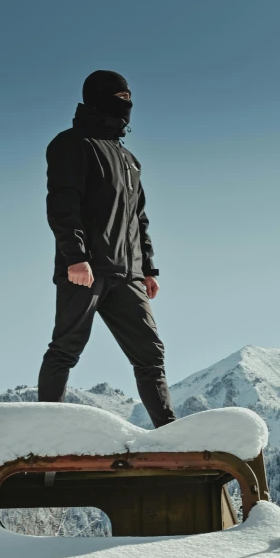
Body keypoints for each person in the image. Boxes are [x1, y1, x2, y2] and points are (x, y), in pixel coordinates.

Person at [38, 70, 176, 428]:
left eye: (129, 96)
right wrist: (76, 257)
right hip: (85, 270)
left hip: (128, 274)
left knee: (150, 355)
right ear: (98, 98)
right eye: (120, 96)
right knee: (66, 349)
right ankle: (45, 432)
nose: (127, 103)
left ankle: (171, 433)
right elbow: (63, 205)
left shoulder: (129, 159)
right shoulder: (72, 144)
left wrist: (147, 269)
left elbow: (138, 219)